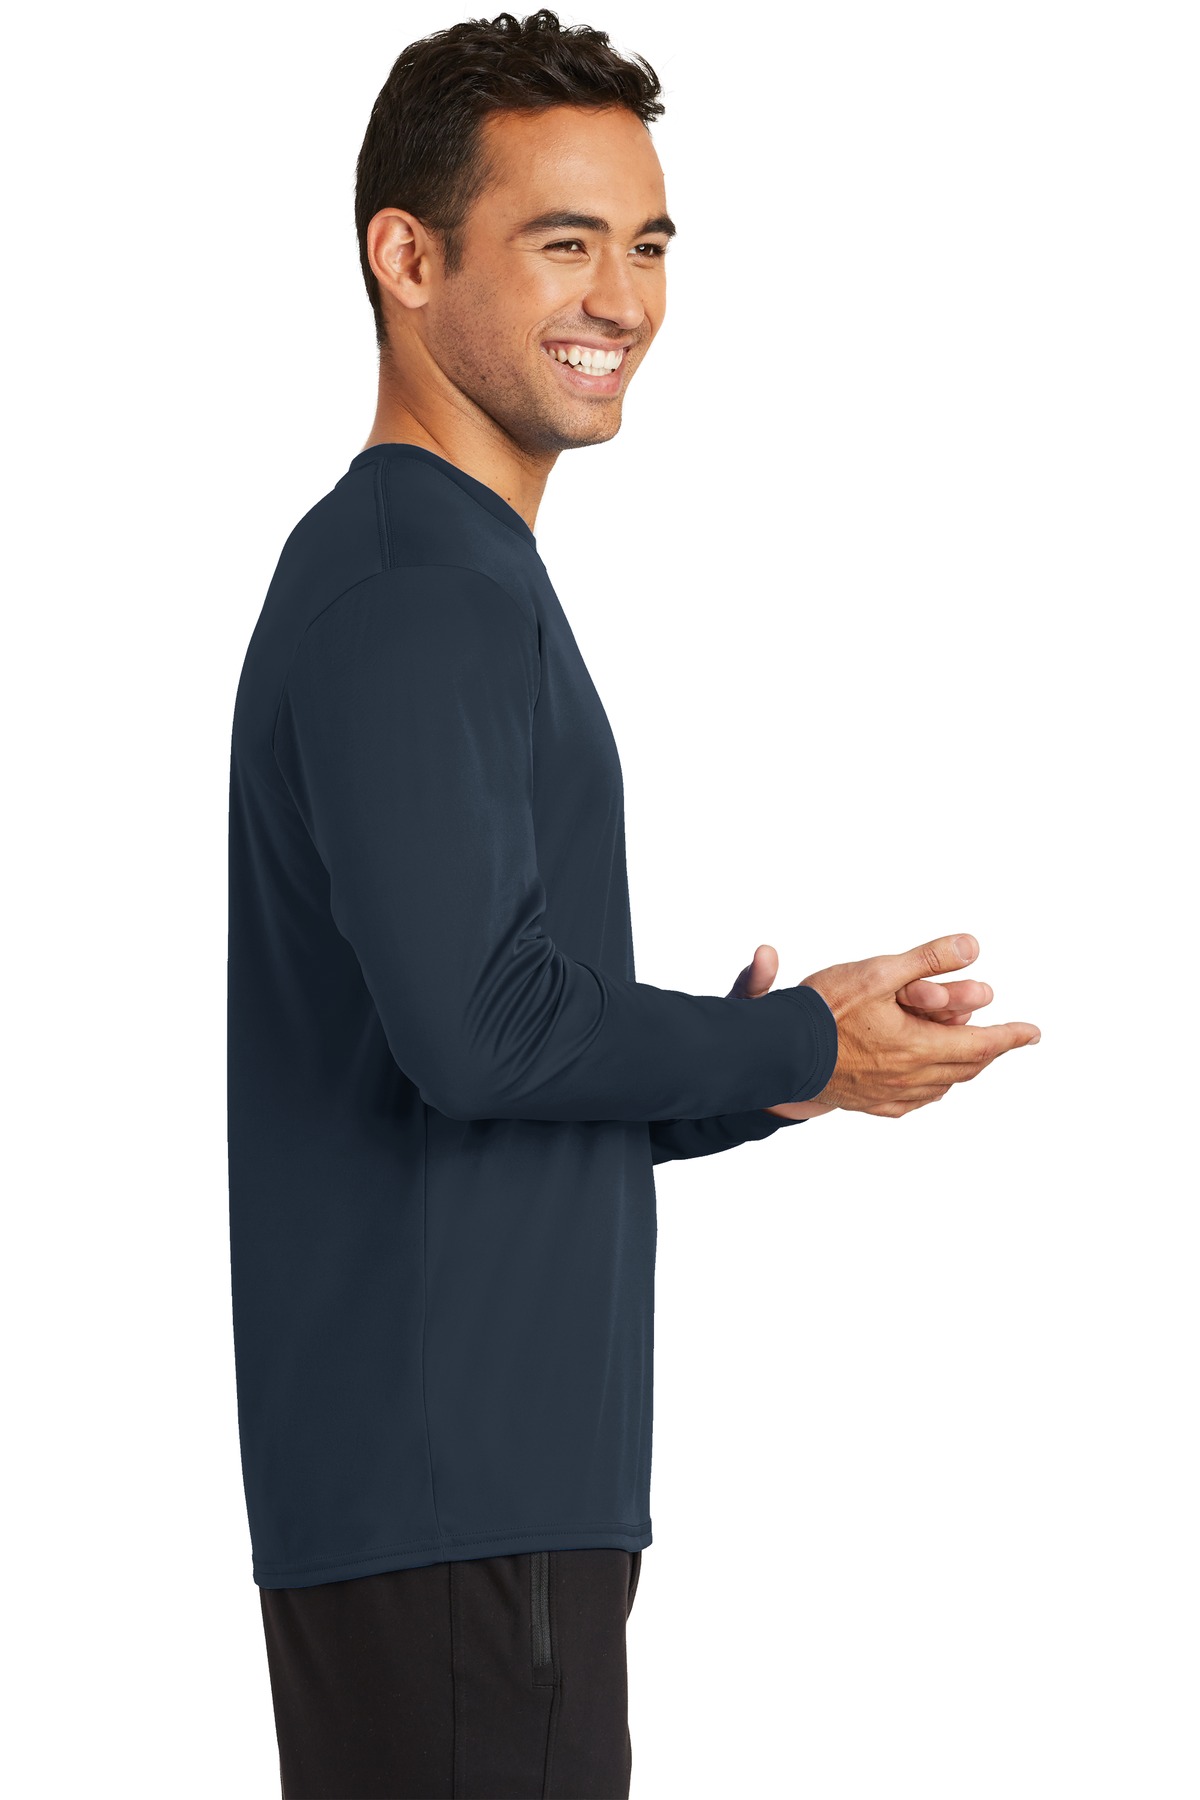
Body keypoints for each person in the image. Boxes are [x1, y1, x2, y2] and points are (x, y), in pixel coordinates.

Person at [226, 11, 1041, 1796]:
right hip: (459, 1492)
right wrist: (787, 1043)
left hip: (472, 1491)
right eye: (563, 241)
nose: (623, 298)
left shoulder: (444, 572)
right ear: (407, 258)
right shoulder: (414, 583)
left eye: (650, 242)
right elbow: (481, 1033)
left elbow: (460, 1041)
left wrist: (781, 1072)